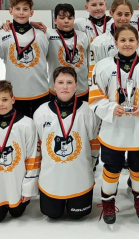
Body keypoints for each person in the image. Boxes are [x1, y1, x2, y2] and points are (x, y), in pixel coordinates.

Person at [89, 25, 139, 228]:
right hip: (112, 128)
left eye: (131, 40)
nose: (127, 44)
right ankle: (108, 202)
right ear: (115, 42)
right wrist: (110, 108)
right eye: (122, 40)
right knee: (111, 167)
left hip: (138, 128)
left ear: (138, 42)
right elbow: (95, 97)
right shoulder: (102, 66)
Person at [34, 67, 100, 220]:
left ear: (76, 86)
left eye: (69, 82)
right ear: (54, 86)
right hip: (51, 181)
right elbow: (38, 147)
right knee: (52, 214)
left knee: (78, 214)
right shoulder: (41, 112)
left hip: (80, 178)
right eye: (61, 82)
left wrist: (89, 165)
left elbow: (94, 144)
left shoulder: (88, 111)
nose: (65, 87)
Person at [0, 80, 40, 223]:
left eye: (5, 99)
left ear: (13, 99)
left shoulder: (27, 124)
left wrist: (28, 189)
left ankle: (19, 197)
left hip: (17, 186)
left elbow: (33, 158)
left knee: (17, 212)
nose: (1, 104)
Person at [0, 0, 50, 118]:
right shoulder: (2, 35)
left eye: (25, 9)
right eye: (17, 9)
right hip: (15, 94)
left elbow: (47, 54)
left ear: (31, 12)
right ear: (11, 11)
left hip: (41, 92)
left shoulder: (41, 34)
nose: (21, 12)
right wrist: (2, 24)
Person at [89, 0, 139, 81]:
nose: (123, 18)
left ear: (132, 14)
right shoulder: (98, 43)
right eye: (119, 14)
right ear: (111, 13)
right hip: (110, 87)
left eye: (127, 14)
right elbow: (94, 72)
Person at [46, 3, 90, 102]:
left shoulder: (83, 36)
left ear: (74, 19)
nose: (66, 21)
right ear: (55, 20)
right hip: (57, 90)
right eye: (62, 18)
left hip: (81, 89)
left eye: (70, 18)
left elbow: (88, 61)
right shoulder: (48, 35)